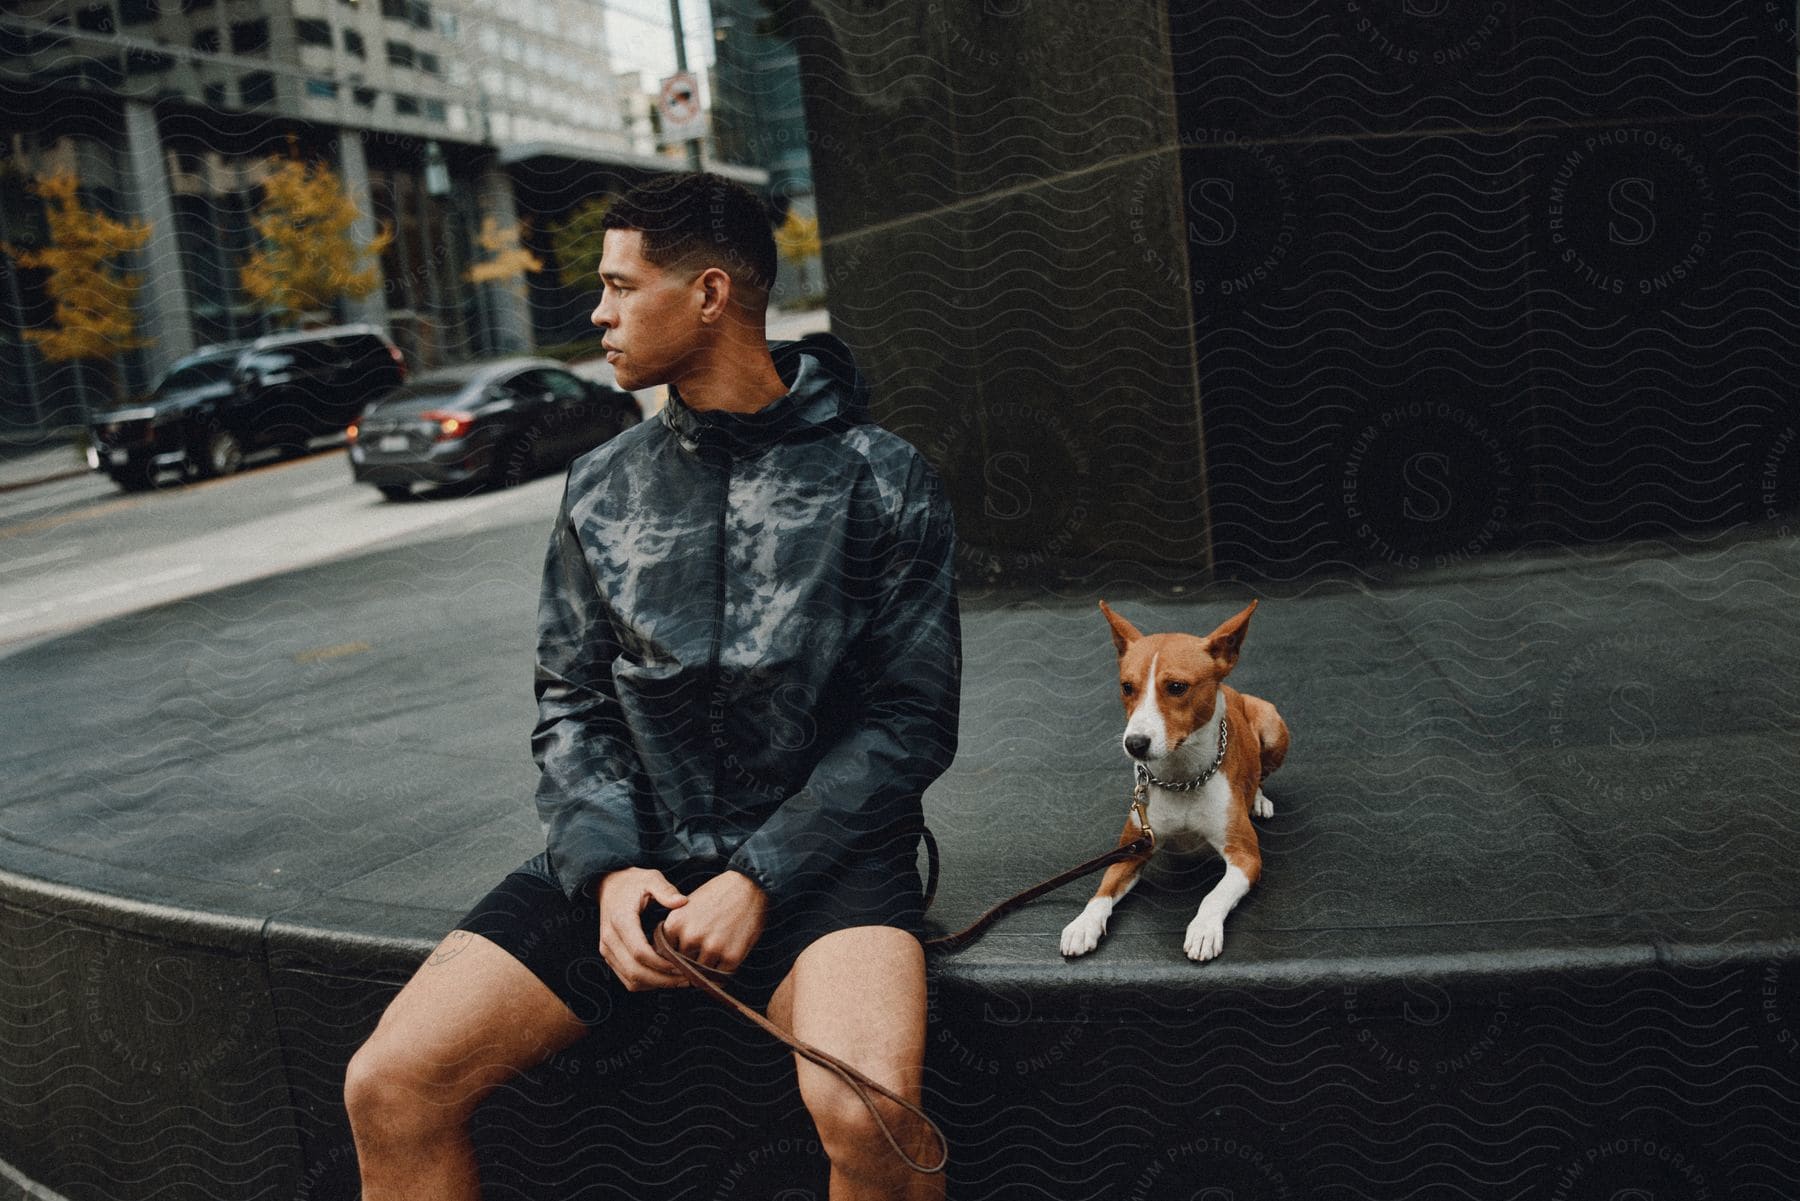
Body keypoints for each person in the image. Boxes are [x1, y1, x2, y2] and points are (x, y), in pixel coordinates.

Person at [343, 171, 961, 1201]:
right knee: (388, 1083)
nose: (598, 312)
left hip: (826, 868)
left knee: (877, 1120)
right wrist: (610, 869)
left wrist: (759, 874)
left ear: (710, 294)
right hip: (636, 855)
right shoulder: (603, 482)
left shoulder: (880, 477)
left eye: (621, 285)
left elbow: (909, 721)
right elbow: (572, 698)